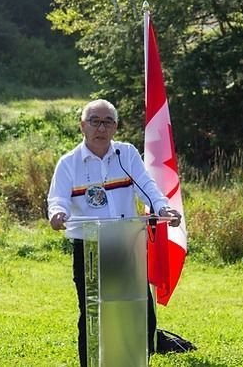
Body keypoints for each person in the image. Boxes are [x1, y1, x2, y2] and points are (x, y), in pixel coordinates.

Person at [47, 99, 181, 366]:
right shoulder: (69, 163)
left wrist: (163, 207)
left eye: (108, 122)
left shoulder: (126, 154)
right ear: (82, 126)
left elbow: (147, 187)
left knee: (140, 315)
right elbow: (57, 199)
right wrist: (57, 214)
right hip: (90, 248)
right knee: (93, 315)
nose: (101, 127)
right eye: (94, 121)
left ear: (116, 127)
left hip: (126, 244)